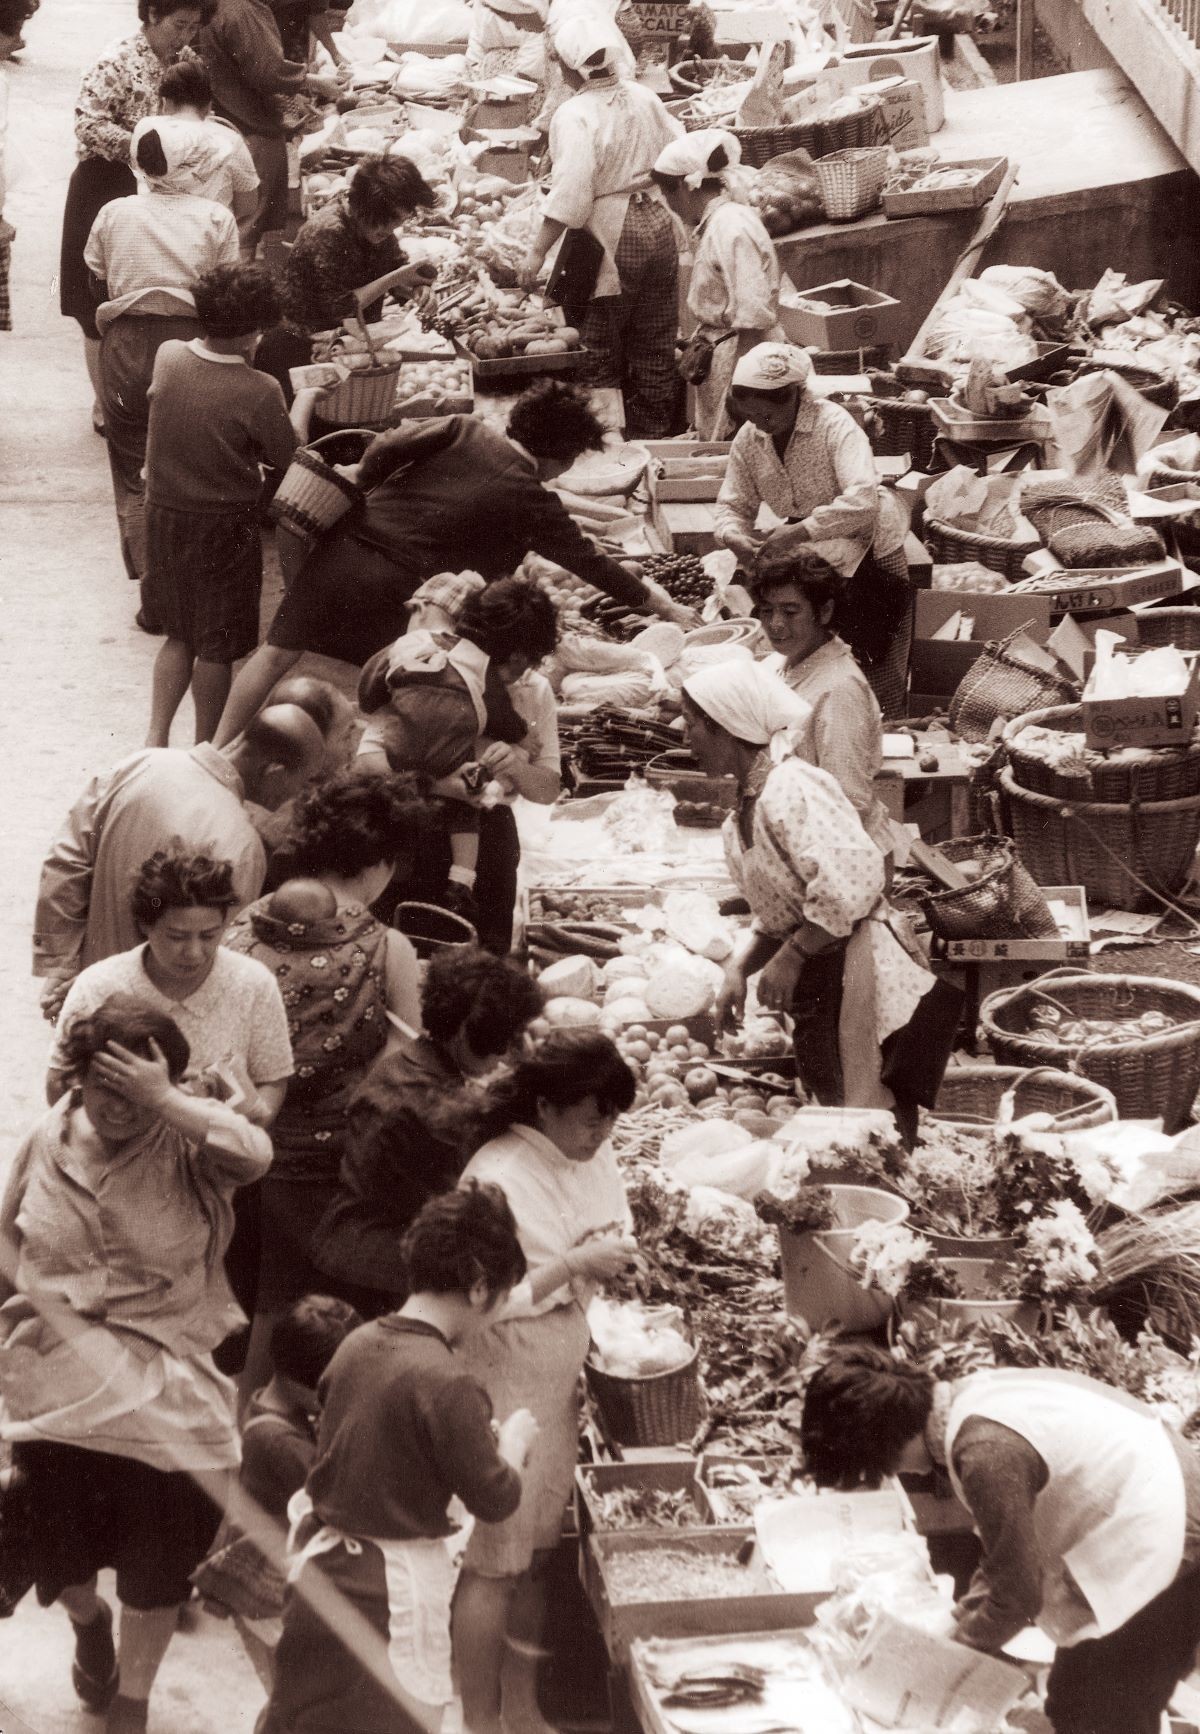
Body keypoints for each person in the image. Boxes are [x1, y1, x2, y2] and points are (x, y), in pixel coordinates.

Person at [0, 995, 272, 1734]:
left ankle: (134, 1702)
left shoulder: (191, 1148)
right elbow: (6, 1249)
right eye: (104, 1087)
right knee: (63, 1562)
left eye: (137, 1092)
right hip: (56, 1390)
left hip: (166, 1390)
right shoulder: (44, 1139)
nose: (119, 1107)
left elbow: (254, 1153)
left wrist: (171, 1103)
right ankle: (89, 1625)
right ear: (77, 1078)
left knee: (156, 1568)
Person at [215, 380, 692, 745]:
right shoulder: (534, 500)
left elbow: (385, 445)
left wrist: (366, 479)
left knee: (275, 652)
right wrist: (663, 606)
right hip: (405, 594)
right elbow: (591, 562)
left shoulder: (463, 429)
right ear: (562, 457)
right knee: (392, 694)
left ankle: (216, 751)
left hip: (345, 553)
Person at [801, 1346, 1200, 1734]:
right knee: (1075, 1699)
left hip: (1171, 1532)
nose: (901, 1474)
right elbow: (1006, 1556)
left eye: (883, 1463)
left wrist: (949, 1657)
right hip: (1146, 1509)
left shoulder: (983, 1451)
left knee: (1100, 1710)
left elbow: (1018, 1595)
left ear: (885, 1438)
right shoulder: (966, 1401)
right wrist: (960, 1618)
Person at [259, 1184, 539, 1734]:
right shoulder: (451, 1380)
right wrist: (512, 1445)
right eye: (503, 1297)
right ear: (480, 1288)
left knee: (305, 1715)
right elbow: (495, 1496)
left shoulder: (357, 1342)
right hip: (390, 1592)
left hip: (322, 1574)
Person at [680, 660, 954, 1142]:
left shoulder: (793, 788)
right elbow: (779, 913)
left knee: (869, 1116)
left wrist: (792, 956)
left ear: (724, 728)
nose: (686, 737)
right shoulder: (744, 810)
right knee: (838, 1110)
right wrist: (740, 970)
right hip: (821, 974)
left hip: (853, 969)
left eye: (693, 723)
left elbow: (849, 884)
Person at [453, 1031, 639, 1734]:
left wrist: (600, 1256)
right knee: (493, 1560)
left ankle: (523, 1707)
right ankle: (478, 1719)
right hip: (503, 1373)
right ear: (543, 1106)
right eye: (589, 1118)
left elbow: (612, 1222)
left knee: (532, 1557)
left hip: (556, 1376)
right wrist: (574, 1264)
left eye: (611, 1119)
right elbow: (481, 1298)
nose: (601, 1134)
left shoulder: (590, 1154)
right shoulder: (496, 1175)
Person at [222, 768, 430, 1393]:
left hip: (238, 1146)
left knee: (249, 1304)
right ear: (378, 864)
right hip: (324, 1166)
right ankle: (272, 1446)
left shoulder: (244, 922)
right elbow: (405, 1059)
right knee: (298, 1316)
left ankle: (241, 1440)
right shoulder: (383, 945)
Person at [32, 701, 328, 1019]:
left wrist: (62, 965)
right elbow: (207, 961)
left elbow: (66, 859)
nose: (296, 796)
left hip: (86, 990)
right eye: (302, 782)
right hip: (152, 1024)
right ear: (275, 770)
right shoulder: (240, 844)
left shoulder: (142, 763)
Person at [311, 948, 544, 1316]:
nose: (506, 1055)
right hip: (378, 1265)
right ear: (467, 1034)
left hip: (361, 1240)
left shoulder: (414, 1061)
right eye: (502, 1042)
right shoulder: (428, 1104)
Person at [142, 261, 318, 746]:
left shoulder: (169, 356)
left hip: (163, 518)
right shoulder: (259, 389)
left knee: (179, 635)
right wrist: (305, 396)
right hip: (224, 526)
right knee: (216, 648)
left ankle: (154, 738)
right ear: (251, 334)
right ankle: (204, 747)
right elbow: (290, 453)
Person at [84, 118, 241, 625]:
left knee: (134, 470)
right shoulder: (216, 218)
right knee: (190, 469)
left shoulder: (114, 213)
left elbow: (96, 282)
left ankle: (155, 597)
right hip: (194, 349)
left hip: (126, 347)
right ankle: (192, 586)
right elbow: (227, 296)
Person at [714, 342, 914, 717]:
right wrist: (732, 535)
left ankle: (887, 730)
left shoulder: (833, 424)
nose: (758, 425)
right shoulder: (750, 436)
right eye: (750, 416)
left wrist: (799, 532)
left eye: (766, 417)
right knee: (811, 653)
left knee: (876, 655)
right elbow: (732, 504)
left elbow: (862, 500)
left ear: (793, 397)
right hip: (813, 552)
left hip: (868, 543)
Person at [357, 576, 559, 924]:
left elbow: (548, 789)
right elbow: (366, 766)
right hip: (407, 830)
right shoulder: (421, 669)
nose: (521, 672)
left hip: (487, 844)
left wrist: (515, 767)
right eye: (520, 662)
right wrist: (443, 787)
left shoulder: (534, 691)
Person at [59, 0, 215, 437]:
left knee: (153, 294)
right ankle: (104, 400)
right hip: (105, 183)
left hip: (165, 189)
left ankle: (147, 394)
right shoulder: (115, 61)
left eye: (192, 28)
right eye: (177, 25)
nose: (184, 37)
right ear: (150, 16)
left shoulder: (187, 62)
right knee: (93, 301)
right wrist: (148, 145)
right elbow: (87, 124)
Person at [520, 15, 681, 438]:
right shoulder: (645, 97)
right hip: (660, 223)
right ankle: (654, 435)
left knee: (598, 341)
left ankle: (605, 442)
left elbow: (572, 193)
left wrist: (537, 252)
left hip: (612, 232)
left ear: (569, 67)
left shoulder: (574, 113)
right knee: (654, 336)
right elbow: (675, 154)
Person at [190, 1293, 361, 1688]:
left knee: (287, 1695)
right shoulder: (280, 1441)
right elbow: (337, 1497)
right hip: (269, 1592)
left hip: (274, 1582)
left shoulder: (272, 1407)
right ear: (310, 1385)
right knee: (289, 1694)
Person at [46, 847, 293, 1119]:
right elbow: (59, 1082)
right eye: (176, 937)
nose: (194, 952)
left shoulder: (254, 983)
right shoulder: (99, 984)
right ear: (145, 925)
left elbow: (271, 1079)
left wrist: (242, 1135)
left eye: (209, 935)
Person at [255, 153, 439, 400]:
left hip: (339, 348)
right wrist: (396, 278)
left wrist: (418, 291)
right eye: (384, 221)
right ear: (361, 206)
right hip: (298, 349)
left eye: (397, 220)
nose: (388, 229)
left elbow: (398, 270)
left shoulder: (375, 227)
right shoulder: (329, 231)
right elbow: (341, 306)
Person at [751, 553, 894, 858]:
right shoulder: (779, 663)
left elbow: (847, 799)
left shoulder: (839, 690)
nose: (775, 624)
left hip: (841, 859)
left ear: (825, 611)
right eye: (766, 611)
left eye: (791, 612)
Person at [651, 129, 783, 440]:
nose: (670, 205)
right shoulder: (717, 223)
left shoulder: (730, 226)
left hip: (742, 355)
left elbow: (752, 314)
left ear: (684, 188)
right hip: (722, 353)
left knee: (738, 446)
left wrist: (743, 391)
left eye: (668, 195)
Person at [197, 0, 339, 257]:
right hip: (248, 124)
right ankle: (242, 284)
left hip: (235, 117)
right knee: (247, 225)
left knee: (241, 222)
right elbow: (267, 70)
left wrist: (288, 97)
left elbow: (247, 70)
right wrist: (314, 82)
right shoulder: (241, 9)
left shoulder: (232, 7)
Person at [156, 56, 259, 225]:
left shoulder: (148, 138)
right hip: (211, 236)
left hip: (159, 240)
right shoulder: (230, 140)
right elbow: (248, 205)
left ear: (166, 103)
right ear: (209, 105)